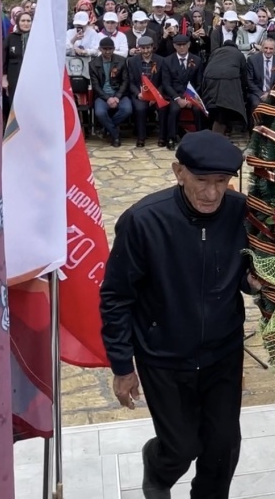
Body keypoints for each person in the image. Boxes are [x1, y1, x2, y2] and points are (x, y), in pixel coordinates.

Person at [100, 130, 255, 499]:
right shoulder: (143, 221)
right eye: (202, 181)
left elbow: (247, 274)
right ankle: (156, 466)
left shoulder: (240, 212)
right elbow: (116, 297)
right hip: (164, 357)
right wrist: (122, 366)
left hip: (222, 353)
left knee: (222, 448)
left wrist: (256, 282)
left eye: (222, 182)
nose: (212, 193)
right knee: (182, 446)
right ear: (178, 172)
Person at [90, 37, 132, 147]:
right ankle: (115, 135)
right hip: (103, 95)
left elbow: (125, 81)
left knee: (127, 109)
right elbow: (96, 85)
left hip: (119, 93)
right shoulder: (93, 64)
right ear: (100, 49)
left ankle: (106, 128)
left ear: (114, 49)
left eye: (110, 49)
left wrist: (117, 96)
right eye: (105, 49)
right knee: (100, 112)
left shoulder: (121, 61)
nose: (107, 51)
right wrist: (107, 98)